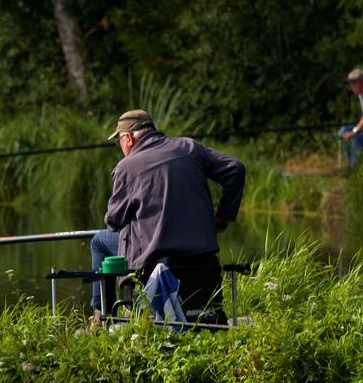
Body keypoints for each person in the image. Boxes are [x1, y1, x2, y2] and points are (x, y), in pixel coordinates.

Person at [89, 109, 246, 318]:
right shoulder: (190, 147)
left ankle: (103, 315)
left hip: (153, 259)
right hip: (202, 258)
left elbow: (113, 220)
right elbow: (235, 169)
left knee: (99, 241)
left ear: (128, 138)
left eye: (118, 140)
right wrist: (223, 216)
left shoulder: (126, 167)